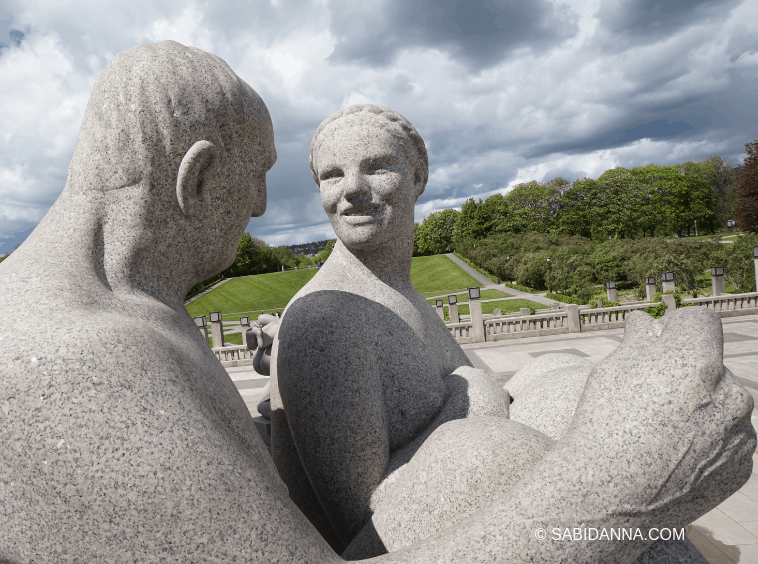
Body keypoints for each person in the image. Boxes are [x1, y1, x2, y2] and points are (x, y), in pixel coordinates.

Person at [269, 104, 757, 560]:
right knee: (496, 451)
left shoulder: (397, 292)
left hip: (469, 495)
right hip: (415, 537)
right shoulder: (327, 318)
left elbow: (492, 395)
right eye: (331, 175)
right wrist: (476, 400)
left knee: (564, 374)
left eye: (375, 167)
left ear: (418, 178)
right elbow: (364, 522)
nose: (351, 187)